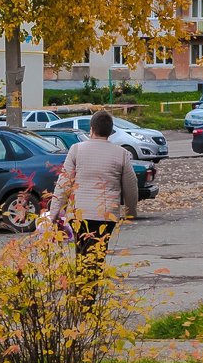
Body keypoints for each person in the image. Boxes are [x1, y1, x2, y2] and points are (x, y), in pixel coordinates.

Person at [47, 110, 138, 258]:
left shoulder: (76, 150)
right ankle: (96, 279)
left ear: (91, 129)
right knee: (99, 253)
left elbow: (64, 183)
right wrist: (130, 211)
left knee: (82, 253)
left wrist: (54, 213)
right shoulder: (121, 154)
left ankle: (83, 280)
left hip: (80, 213)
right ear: (110, 132)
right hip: (107, 214)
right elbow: (131, 185)